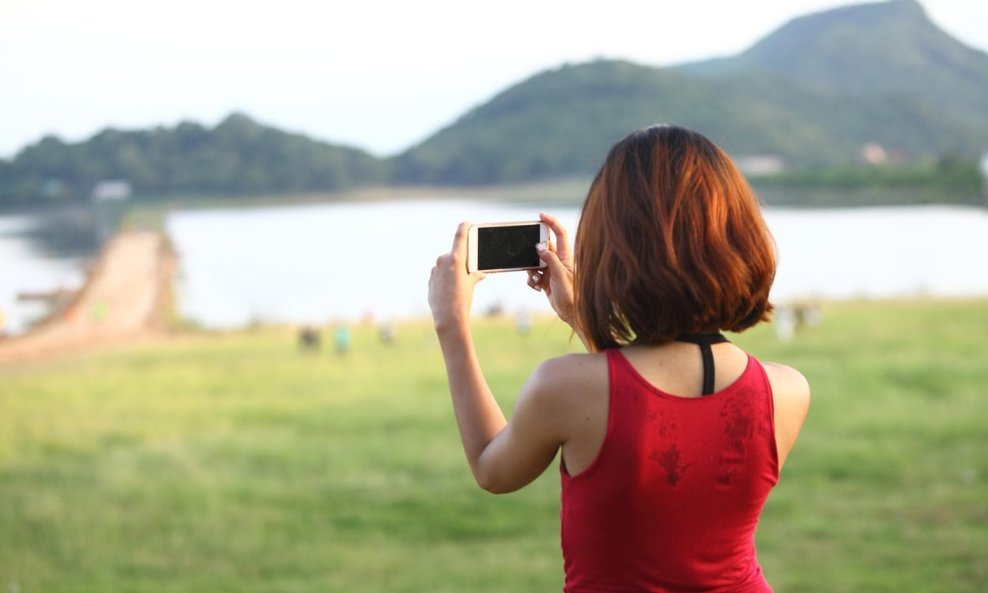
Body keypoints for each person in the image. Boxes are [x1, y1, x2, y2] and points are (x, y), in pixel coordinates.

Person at [428, 124, 810, 593]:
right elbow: (651, 404)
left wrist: (452, 325)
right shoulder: (786, 392)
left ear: (615, 247)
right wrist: (582, 320)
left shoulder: (563, 387)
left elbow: (493, 469)